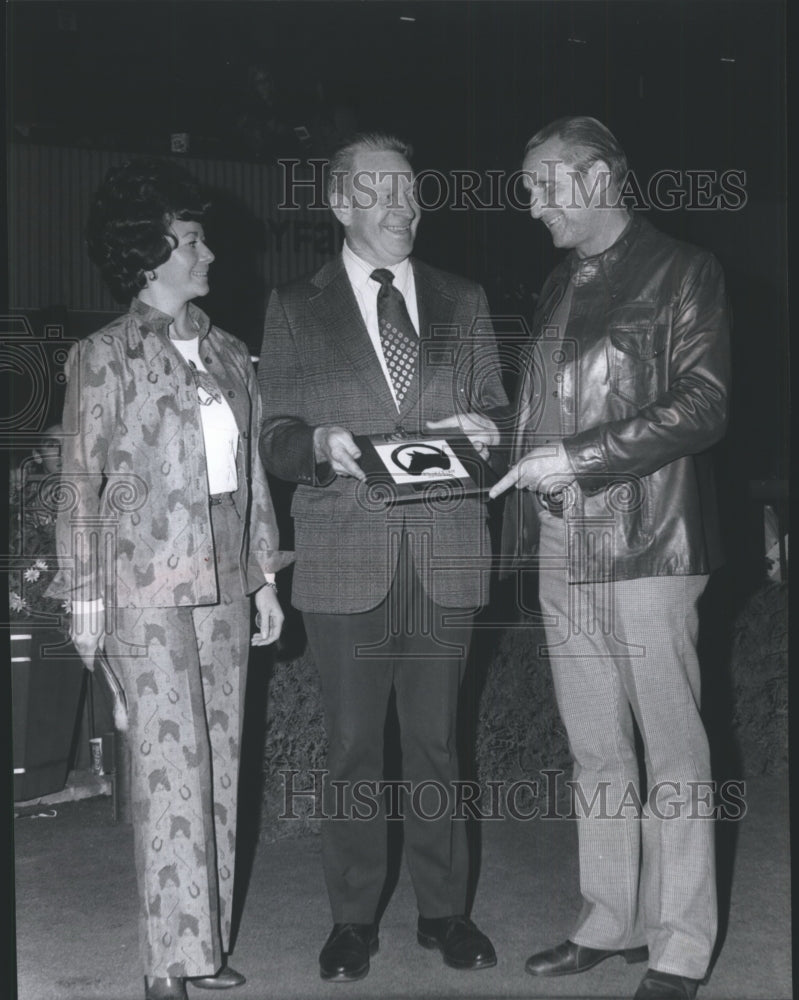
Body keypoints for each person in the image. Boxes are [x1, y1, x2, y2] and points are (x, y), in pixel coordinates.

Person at [489, 117, 730, 1000]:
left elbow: (704, 404)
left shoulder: (682, 270)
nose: (531, 204)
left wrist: (579, 457)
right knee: (594, 747)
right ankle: (610, 919)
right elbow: (551, 406)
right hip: (561, 539)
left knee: (672, 750)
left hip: (646, 539)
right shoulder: (560, 281)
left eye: (543, 184)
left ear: (596, 179)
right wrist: (508, 433)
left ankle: (680, 942)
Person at [258, 132, 507, 982]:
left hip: (443, 551)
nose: (404, 207)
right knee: (355, 746)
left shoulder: (463, 296)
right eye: (382, 192)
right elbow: (273, 433)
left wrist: (485, 429)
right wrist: (315, 444)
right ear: (339, 203)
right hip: (344, 558)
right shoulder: (294, 306)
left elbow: (495, 412)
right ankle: (352, 920)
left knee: (436, 742)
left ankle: (446, 913)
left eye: (411, 190)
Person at [49, 158, 293, 1000]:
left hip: (225, 582)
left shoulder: (227, 352)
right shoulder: (103, 357)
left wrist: (264, 573)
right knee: (166, 770)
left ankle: (203, 949)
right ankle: (165, 965)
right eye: (191, 241)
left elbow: (252, 473)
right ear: (150, 255)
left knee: (219, 763)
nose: (208, 254)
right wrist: (84, 599)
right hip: (143, 591)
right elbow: (78, 481)